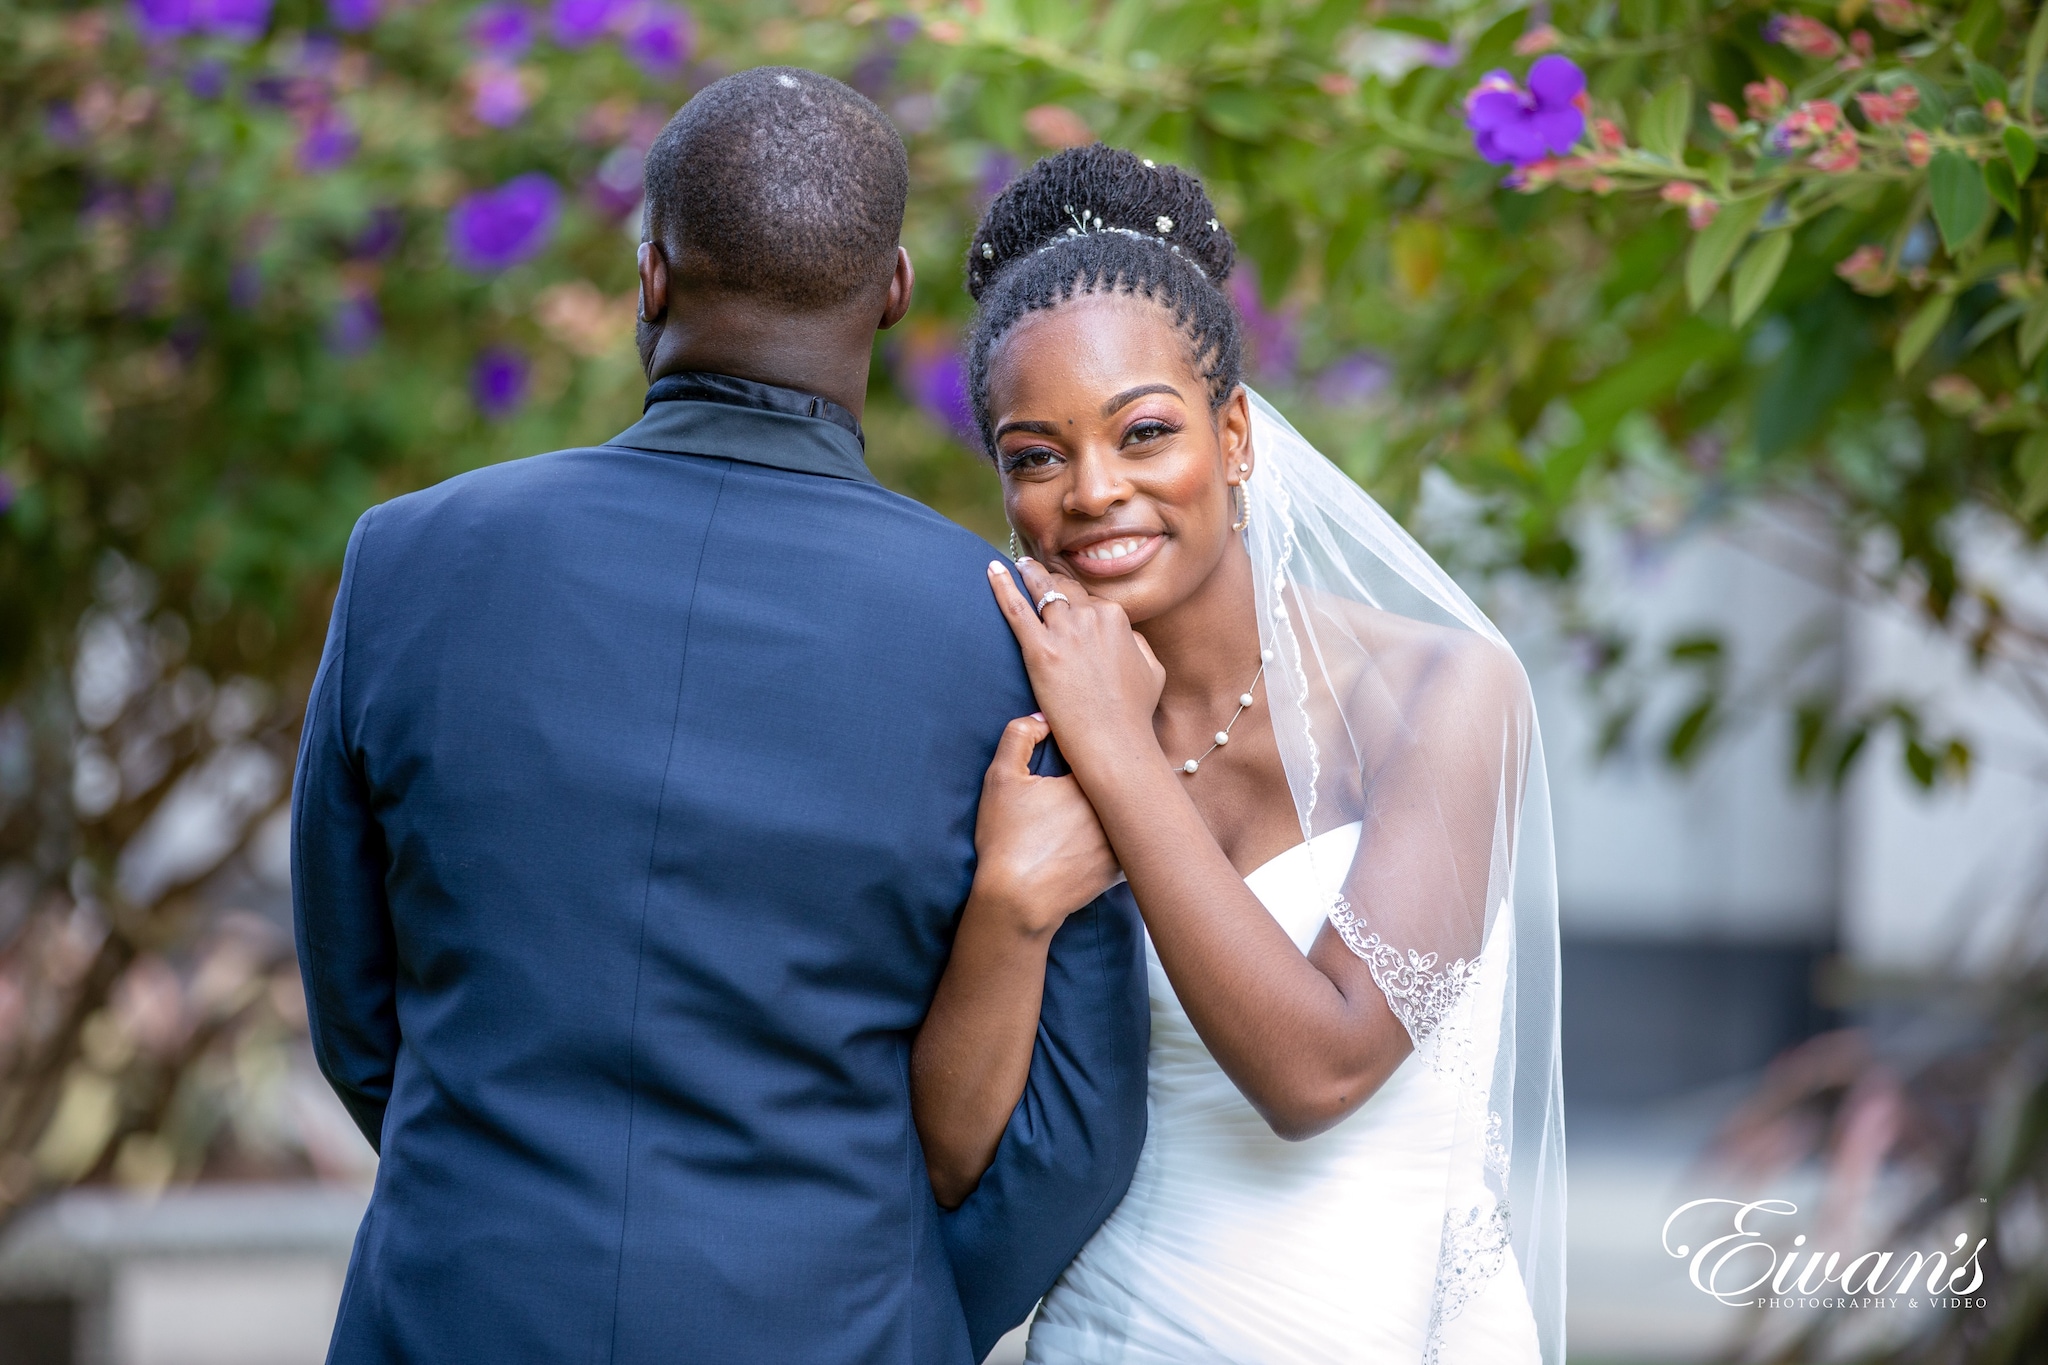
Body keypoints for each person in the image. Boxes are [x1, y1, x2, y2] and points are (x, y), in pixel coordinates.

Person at [290, 70, 1149, 1365]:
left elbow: (360, 1017)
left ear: (651, 278)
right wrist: (896, 1314)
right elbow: (1076, 1129)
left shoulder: (410, 560)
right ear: (897, 291)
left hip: (454, 1313)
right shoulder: (1019, 641)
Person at [911, 146, 1566, 1363]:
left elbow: (1317, 1073)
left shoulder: (1441, 692)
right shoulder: (1005, 740)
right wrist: (1008, 901)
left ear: (1235, 438)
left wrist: (1116, 750)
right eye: (1035, 456)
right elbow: (953, 1157)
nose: (1093, 491)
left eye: (1143, 432)